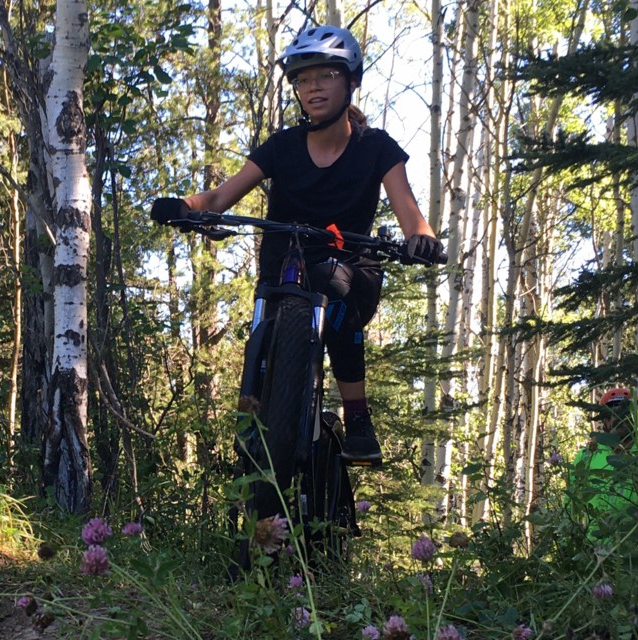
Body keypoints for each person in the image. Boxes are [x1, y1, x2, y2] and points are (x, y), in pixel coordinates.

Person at [150, 25, 444, 465]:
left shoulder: (377, 147)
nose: (313, 88)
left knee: (337, 292)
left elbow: (410, 212)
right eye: (303, 79)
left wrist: (421, 239)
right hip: (285, 268)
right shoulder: (282, 147)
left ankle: (358, 418)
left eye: (325, 75)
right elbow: (217, 198)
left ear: (351, 81)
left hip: (348, 267)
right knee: (264, 318)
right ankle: (256, 420)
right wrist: (184, 206)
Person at [569, 387, 638, 539]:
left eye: (624, 412)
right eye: (611, 414)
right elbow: (570, 503)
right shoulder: (587, 456)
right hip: (595, 547)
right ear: (604, 420)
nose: (618, 418)